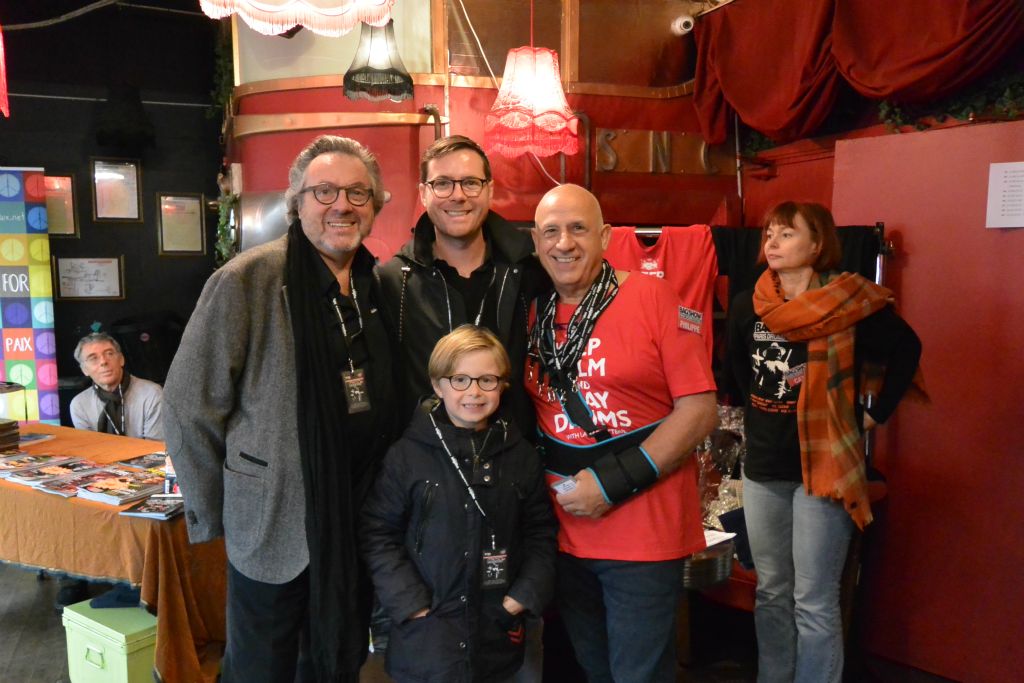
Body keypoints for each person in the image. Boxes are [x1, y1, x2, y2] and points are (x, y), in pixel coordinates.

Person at [163, 135, 397, 683]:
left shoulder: (377, 284)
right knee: (259, 668)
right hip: (272, 521)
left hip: (355, 518)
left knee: (332, 661)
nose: (342, 205)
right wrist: (220, 511)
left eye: (358, 193)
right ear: (296, 203)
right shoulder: (248, 280)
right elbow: (187, 405)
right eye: (324, 191)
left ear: (375, 205)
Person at [525, 184, 718, 683]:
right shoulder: (531, 312)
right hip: (563, 537)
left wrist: (613, 482)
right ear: (536, 242)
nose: (564, 242)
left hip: (641, 535)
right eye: (551, 231)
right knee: (594, 671)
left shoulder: (653, 297)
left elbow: (700, 410)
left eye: (578, 228)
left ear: (606, 236)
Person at [727, 201, 923, 683]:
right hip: (764, 467)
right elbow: (737, 371)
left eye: (787, 234)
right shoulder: (748, 305)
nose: (772, 242)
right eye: (769, 234)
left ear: (817, 245)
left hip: (825, 467)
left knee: (813, 600)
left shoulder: (847, 302)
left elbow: (907, 349)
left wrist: (875, 414)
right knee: (771, 592)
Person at [361, 325, 556, 683]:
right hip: (427, 634)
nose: (474, 392)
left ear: (503, 385)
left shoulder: (521, 457)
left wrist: (522, 597)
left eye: (487, 380)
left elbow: (541, 533)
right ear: (438, 386)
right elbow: (378, 533)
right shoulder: (406, 456)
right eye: (460, 380)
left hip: (497, 630)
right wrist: (411, 603)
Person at [376, 135, 549, 435]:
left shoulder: (530, 274)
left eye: (470, 182)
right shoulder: (392, 282)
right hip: (427, 457)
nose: (458, 196)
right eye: (443, 183)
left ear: (489, 190)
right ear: (423, 193)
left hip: (515, 453)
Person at [69, 332, 163, 440]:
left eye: (109, 354)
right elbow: (89, 446)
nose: (103, 361)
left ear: (121, 359)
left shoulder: (152, 394)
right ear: (84, 370)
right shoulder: (80, 404)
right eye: (93, 358)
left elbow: (156, 446)